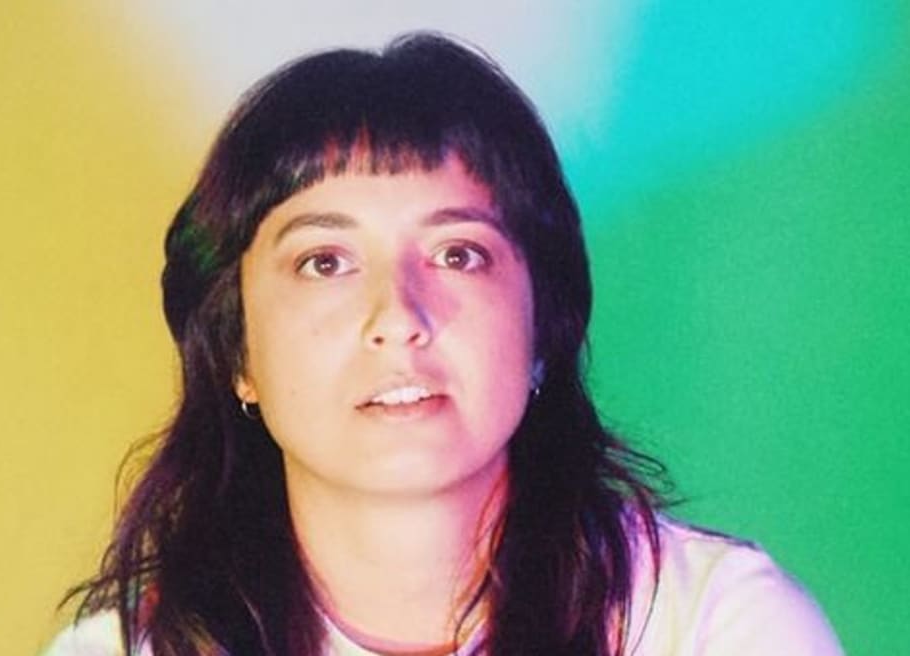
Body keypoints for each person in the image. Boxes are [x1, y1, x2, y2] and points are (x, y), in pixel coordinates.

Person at [44, 32, 843, 655]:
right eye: (325, 261)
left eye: (458, 253)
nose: (398, 316)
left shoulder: (715, 626)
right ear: (238, 353)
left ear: (543, 323)